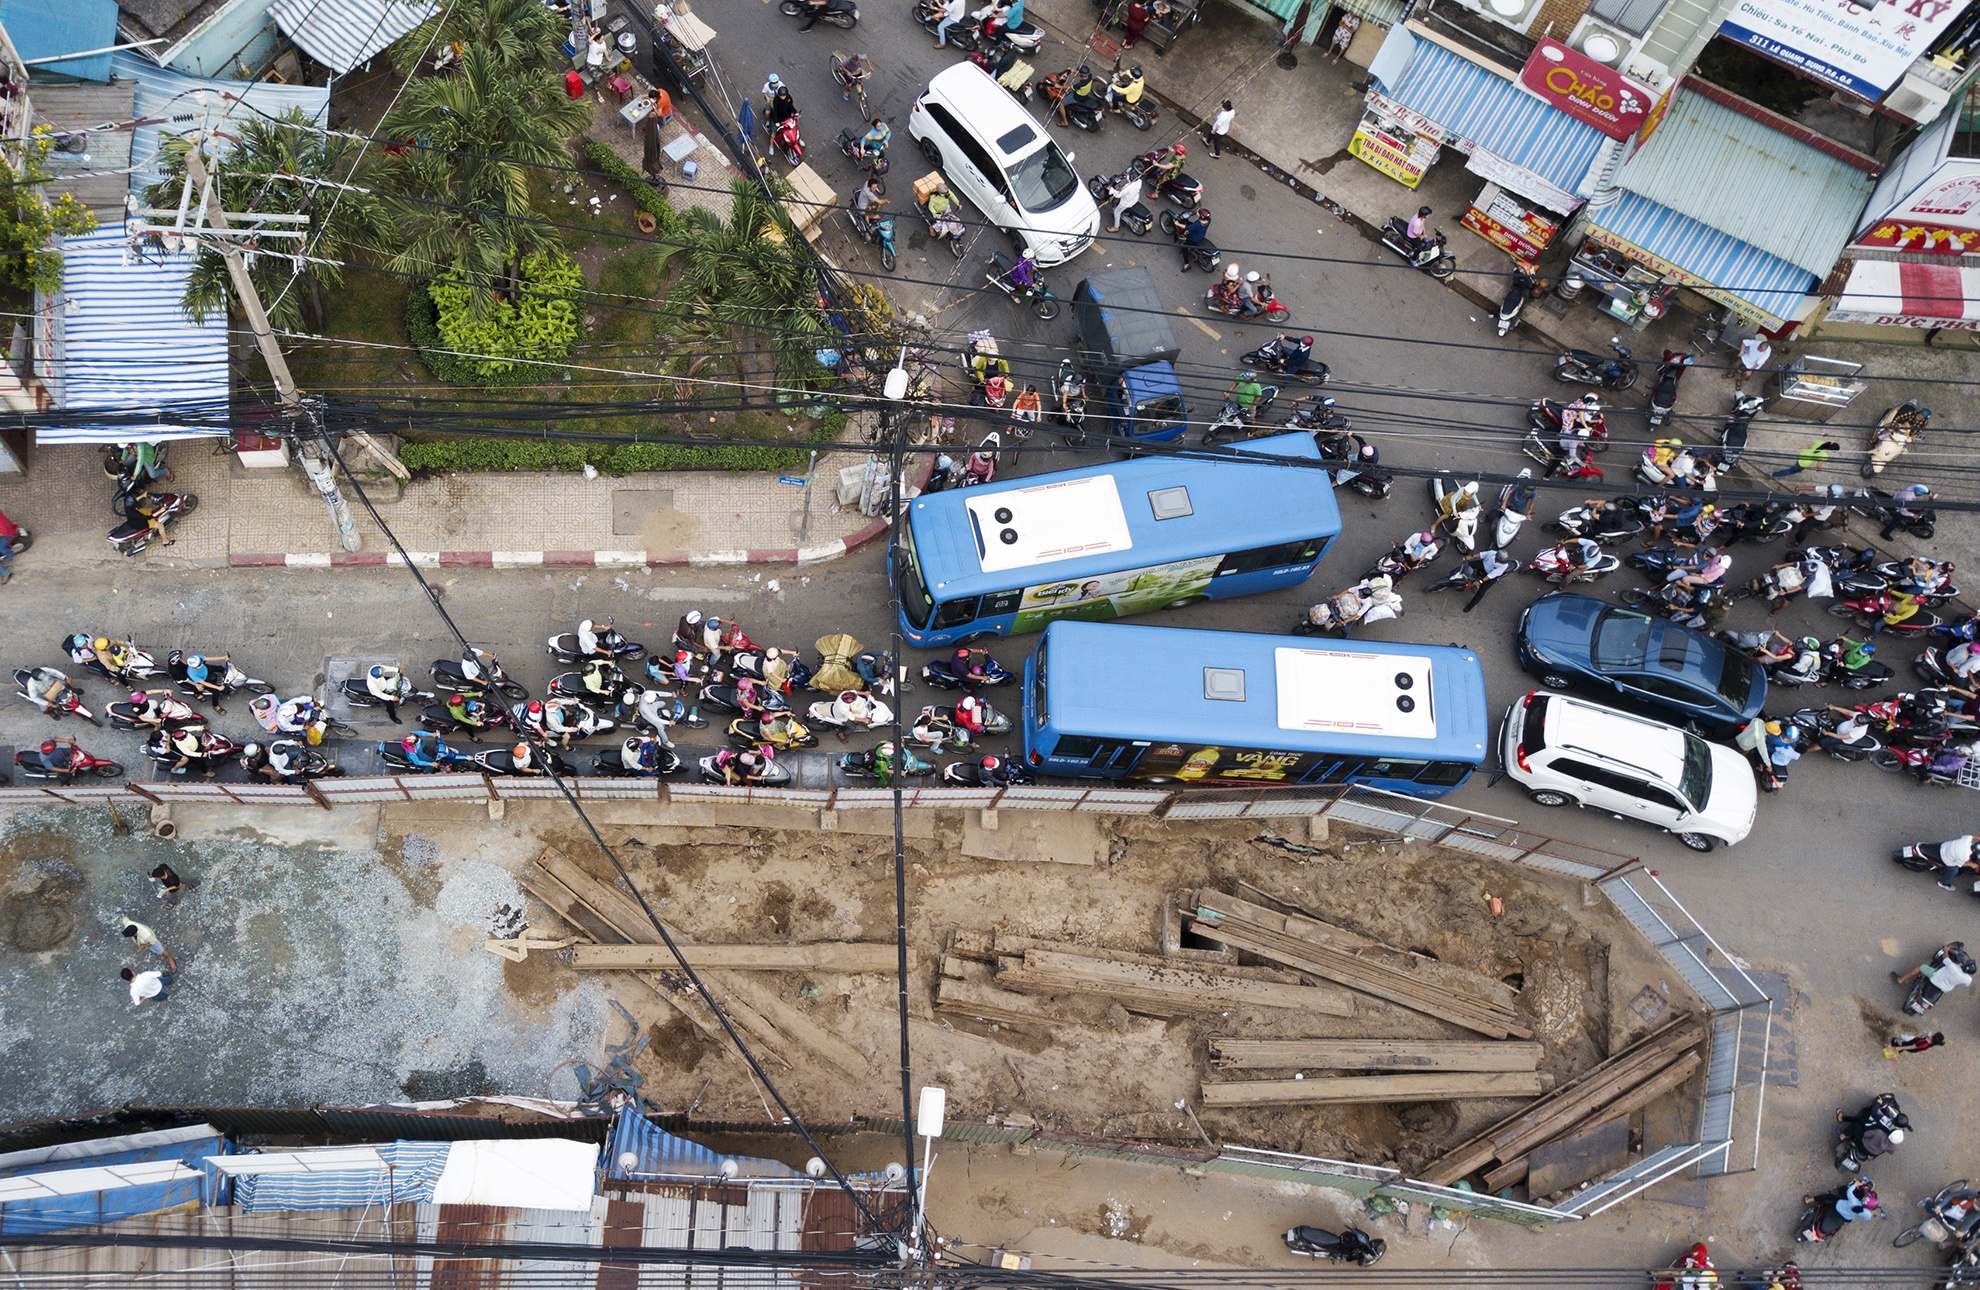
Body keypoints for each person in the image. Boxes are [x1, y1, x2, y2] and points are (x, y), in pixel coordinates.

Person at [1460, 547, 1514, 612]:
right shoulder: (1492, 553)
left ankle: (1470, 605)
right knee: (1466, 566)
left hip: (1491, 575)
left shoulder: (1503, 566)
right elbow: (1481, 555)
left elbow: (1491, 575)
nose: (1499, 562)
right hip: (1484, 565)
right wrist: (1471, 557)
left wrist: (1481, 581)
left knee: (1482, 590)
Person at [1773, 438, 1840, 478]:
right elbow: (1818, 465)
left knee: (1797, 468)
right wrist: (1819, 469)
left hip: (1801, 455)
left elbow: (1808, 446)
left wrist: (1800, 447)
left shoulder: (1819, 442)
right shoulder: (1825, 456)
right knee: (1791, 471)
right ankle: (1773, 474)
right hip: (1803, 463)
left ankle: (1798, 470)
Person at [1107, 165, 1142, 232]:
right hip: (1134, 199)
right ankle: (1126, 212)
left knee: (1116, 211)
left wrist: (1111, 189)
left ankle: (1116, 227)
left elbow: (1118, 195)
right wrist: (1126, 176)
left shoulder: (1128, 187)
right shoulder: (1139, 181)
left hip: (1126, 202)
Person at [1177, 206, 1212, 270]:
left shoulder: (1197, 224)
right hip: (1201, 235)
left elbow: (1186, 227)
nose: (1198, 213)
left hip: (1193, 239)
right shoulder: (1208, 220)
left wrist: (1177, 224)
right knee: (1190, 224)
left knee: (1184, 247)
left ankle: (1186, 264)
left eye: (1199, 213)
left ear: (1201, 217)